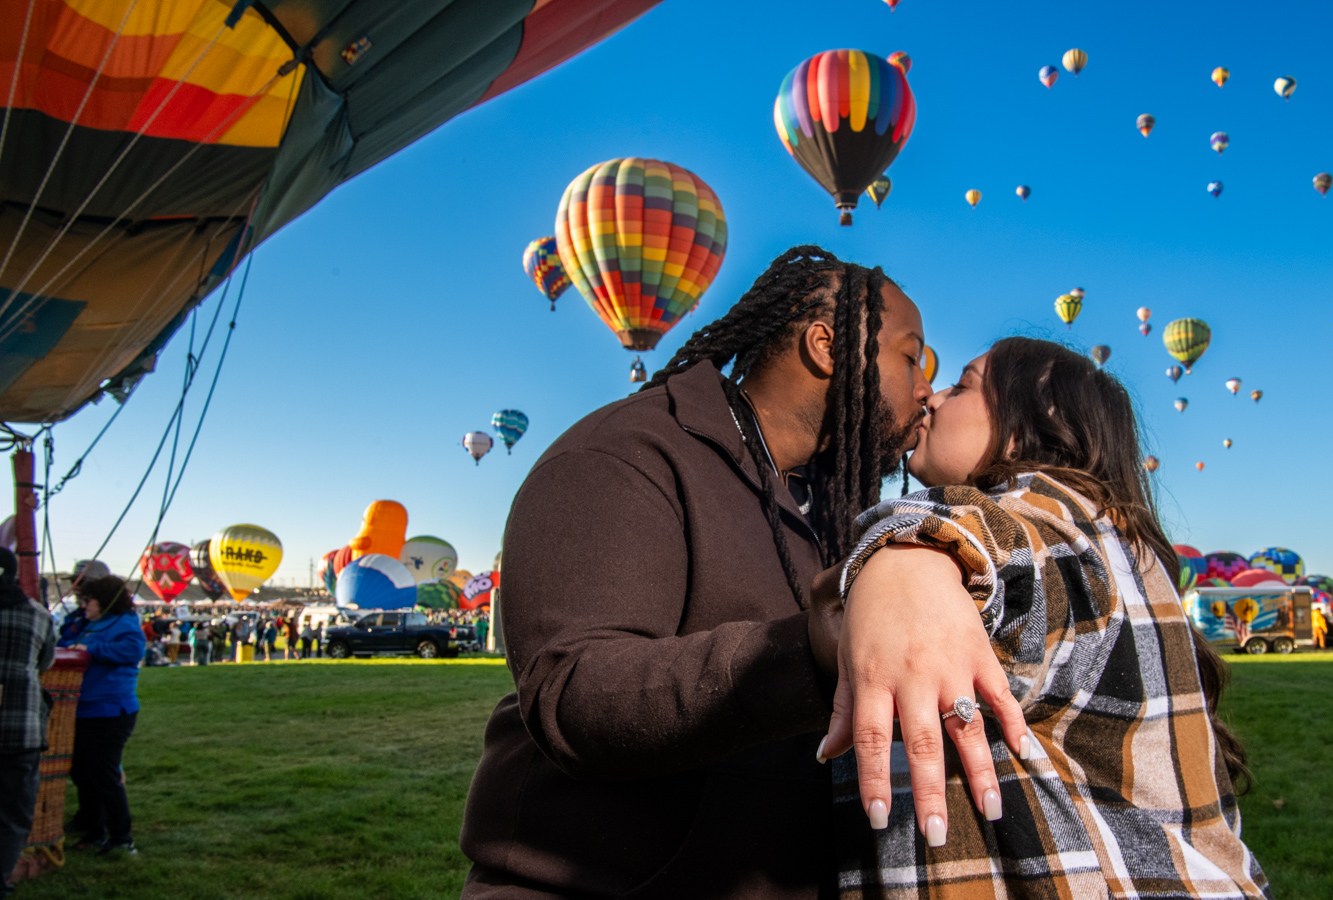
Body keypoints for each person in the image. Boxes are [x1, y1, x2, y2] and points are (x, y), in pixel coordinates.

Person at [459, 246, 942, 899]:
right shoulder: (627, 452)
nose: (926, 387)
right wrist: (811, 647)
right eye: (911, 356)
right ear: (827, 348)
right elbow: (577, 692)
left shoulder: (820, 503)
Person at [817, 338, 1271, 898]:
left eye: (962, 386)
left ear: (1029, 422)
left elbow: (1016, 558)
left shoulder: (1065, 524)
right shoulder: (1114, 537)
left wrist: (911, 556)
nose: (931, 398)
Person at [60, 576, 143, 856]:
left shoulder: (125, 622)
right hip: (84, 709)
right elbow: (67, 639)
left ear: (104, 600)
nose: (84, 606)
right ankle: (94, 830)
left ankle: (122, 839)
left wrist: (91, 650)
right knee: (82, 773)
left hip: (109, 710)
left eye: (88, 601)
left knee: (104, 776)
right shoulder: (91, 623)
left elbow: (133, 650)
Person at [0, 548, 57, 896]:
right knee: (13, 815)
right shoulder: (37, 614)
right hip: (21, 728)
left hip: (20, 727)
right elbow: (46, 661)